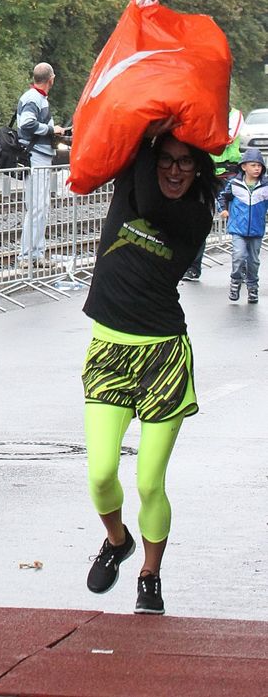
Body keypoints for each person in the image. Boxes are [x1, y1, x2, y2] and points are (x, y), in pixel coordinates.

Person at [81, 127, 218, 615]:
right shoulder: (131, 183)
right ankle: (117, 542)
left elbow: (151, 203)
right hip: (109, 351)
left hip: (162, 356)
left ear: (199, 170)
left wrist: (147, 146)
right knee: (100, 475)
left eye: (186, 162)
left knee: (147, 483)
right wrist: (143, 131)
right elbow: (118, 144)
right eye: (168, 159)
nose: (175, 169)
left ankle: (150, 575)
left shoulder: (193, 214)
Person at [182, 106, 244, 281]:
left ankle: (244, 266)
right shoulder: (206, 112)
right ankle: (193, 268)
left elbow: (226, 139)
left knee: (239, 218)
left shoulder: (235, 115)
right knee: (199, 219)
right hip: (207, 173)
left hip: (229, 174)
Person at [16, 62, 66, 260]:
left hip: (39, 156)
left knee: (40, 206)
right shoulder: (33, 98)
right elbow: (27, 123)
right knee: (37, 207)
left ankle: (36, 253)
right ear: (51, 79)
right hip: (36, 157)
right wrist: (52, 130)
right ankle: (28, 256)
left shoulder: (37, 98)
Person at [218, 147, 268, 304]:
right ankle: (235, 283)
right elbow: (223, 197)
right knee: (239, 256)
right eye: (253, 165)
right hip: (238, 228)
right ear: (244, 166)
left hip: (257, 229)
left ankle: (253, 287)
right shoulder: (235, 183)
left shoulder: (265, 186)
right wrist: (224, 210)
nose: (256, 169)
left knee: (253, 260)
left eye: (259, 166)